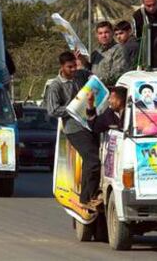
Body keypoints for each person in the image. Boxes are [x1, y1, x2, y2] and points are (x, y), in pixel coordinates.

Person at [46, 51, 100, 210]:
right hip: (73, 128)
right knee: (92, 159)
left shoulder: (80, 75)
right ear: (62, 67)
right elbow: (53, 110)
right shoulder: (55, 86)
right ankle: (86, 198)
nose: (74, 70)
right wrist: (72, 108)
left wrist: (84, 61)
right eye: (70, 67)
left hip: (90, 123)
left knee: (97, 159)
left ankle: (94, 193)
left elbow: (95, 76)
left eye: (75, 66)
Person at [77, 21, 127, 86]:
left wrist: (96, 80)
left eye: (106, 32)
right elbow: (90, 70)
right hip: (94, 89)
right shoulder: (96, 52)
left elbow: (116, 74)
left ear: (112, 33)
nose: (103, 36)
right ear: (97, 35)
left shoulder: (118, 50)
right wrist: (83, 60)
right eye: (100, 33)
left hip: (110, 91)